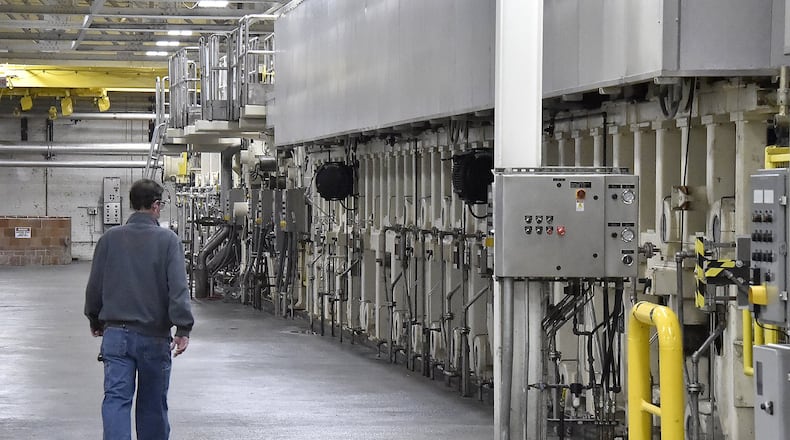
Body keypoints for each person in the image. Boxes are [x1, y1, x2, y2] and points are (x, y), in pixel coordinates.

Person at [85, 178, 194, 440]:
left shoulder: (109, 239)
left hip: (116, 336)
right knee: (152, 404)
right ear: (156, 205)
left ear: (133, 205)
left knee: (116, 401)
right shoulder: (168, 240)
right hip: (153, 337)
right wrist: (183, 327)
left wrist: (95, 319)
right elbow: (178, 288)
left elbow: (95, 286)